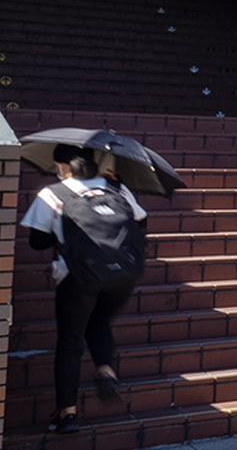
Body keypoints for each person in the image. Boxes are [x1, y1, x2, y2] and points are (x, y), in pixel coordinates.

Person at [21, 145, 148, 434]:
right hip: (122, 275)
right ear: (93, 161)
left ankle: (67, 414)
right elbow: (141, 221)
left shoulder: (53, 192)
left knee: (71, 342)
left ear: (61, 166)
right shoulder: (117, 187)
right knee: (99, 322)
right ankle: (106, 371)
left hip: (78, 277)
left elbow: (37, 242)